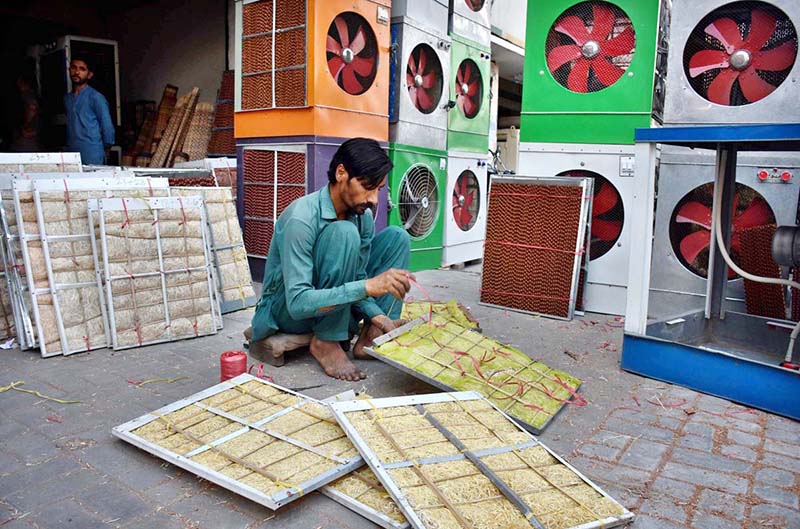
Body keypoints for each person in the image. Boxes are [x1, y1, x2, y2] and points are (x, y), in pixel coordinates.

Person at [250, 138, 412, 381]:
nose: (374, 200)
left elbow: (355, 277)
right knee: (343, 232)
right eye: (367, 187)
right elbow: (298, 302)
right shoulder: (301, 218)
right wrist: (368, 287)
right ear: (341, 173)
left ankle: (372, 334)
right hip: (287, 312)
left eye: (377, 190)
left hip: (328, 304)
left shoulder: (361, 216)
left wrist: (376, 315)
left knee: (396, 237)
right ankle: (326, 340)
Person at [64, 57, 115, 164]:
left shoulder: (96, 97)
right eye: (74, 67)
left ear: (89, 75)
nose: (77, 72)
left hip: (92, 152)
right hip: (72, 153)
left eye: (82, 69)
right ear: (69, 70)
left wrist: (107, 146)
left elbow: (107, 126)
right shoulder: (67, 98)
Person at [9, 72, 42, 152]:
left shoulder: (27, 96)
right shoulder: (29, 95)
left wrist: (26, 129)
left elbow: (32, 109)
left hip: (25, 144)